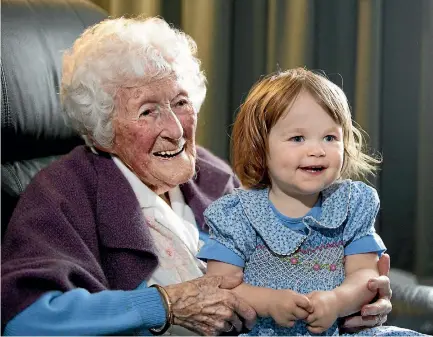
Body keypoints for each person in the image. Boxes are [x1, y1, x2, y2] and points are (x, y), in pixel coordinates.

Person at [1, 17, 391, 336]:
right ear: (103, 126)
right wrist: (164, 304)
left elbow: (296, 273)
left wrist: (355, 301)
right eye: (148, 110)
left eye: (181, 102)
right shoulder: (66, 190)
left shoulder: (210, 175)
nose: (175, 128)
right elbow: (23, 319)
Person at [197, 68, 424, 336]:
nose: (317, 150)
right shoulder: (237, 215)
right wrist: (268, 302)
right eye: (297, 138)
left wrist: (337, 301)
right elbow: (219, 286)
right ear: (260, 147)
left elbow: (365, 275)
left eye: (330, 137)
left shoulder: (351, 205)